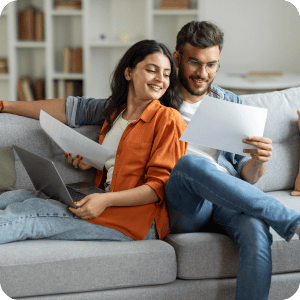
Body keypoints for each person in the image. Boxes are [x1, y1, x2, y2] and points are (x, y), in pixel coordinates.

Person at [0, 39, 187, 244]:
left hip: (135, 219)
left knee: (30, 214)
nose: (161, 79)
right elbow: (119, 164)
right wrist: (92, 162)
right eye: (152, 70)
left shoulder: (169, 119)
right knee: (17, 196)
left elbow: (159, 186)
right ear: (128, 73)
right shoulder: (116, 115)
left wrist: (105, 200)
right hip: (104, 200)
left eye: (167, 74)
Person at [164, 21, 300, 300]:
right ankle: (289, 219)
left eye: (212, 65)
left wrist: (259, 161)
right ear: (177, 58)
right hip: (184, 203)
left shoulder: (231, 103)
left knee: (256, 228)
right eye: (194, 63)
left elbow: (248, 177)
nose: (203, 74)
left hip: (226, 196)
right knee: (190, 164)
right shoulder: (158, 97)